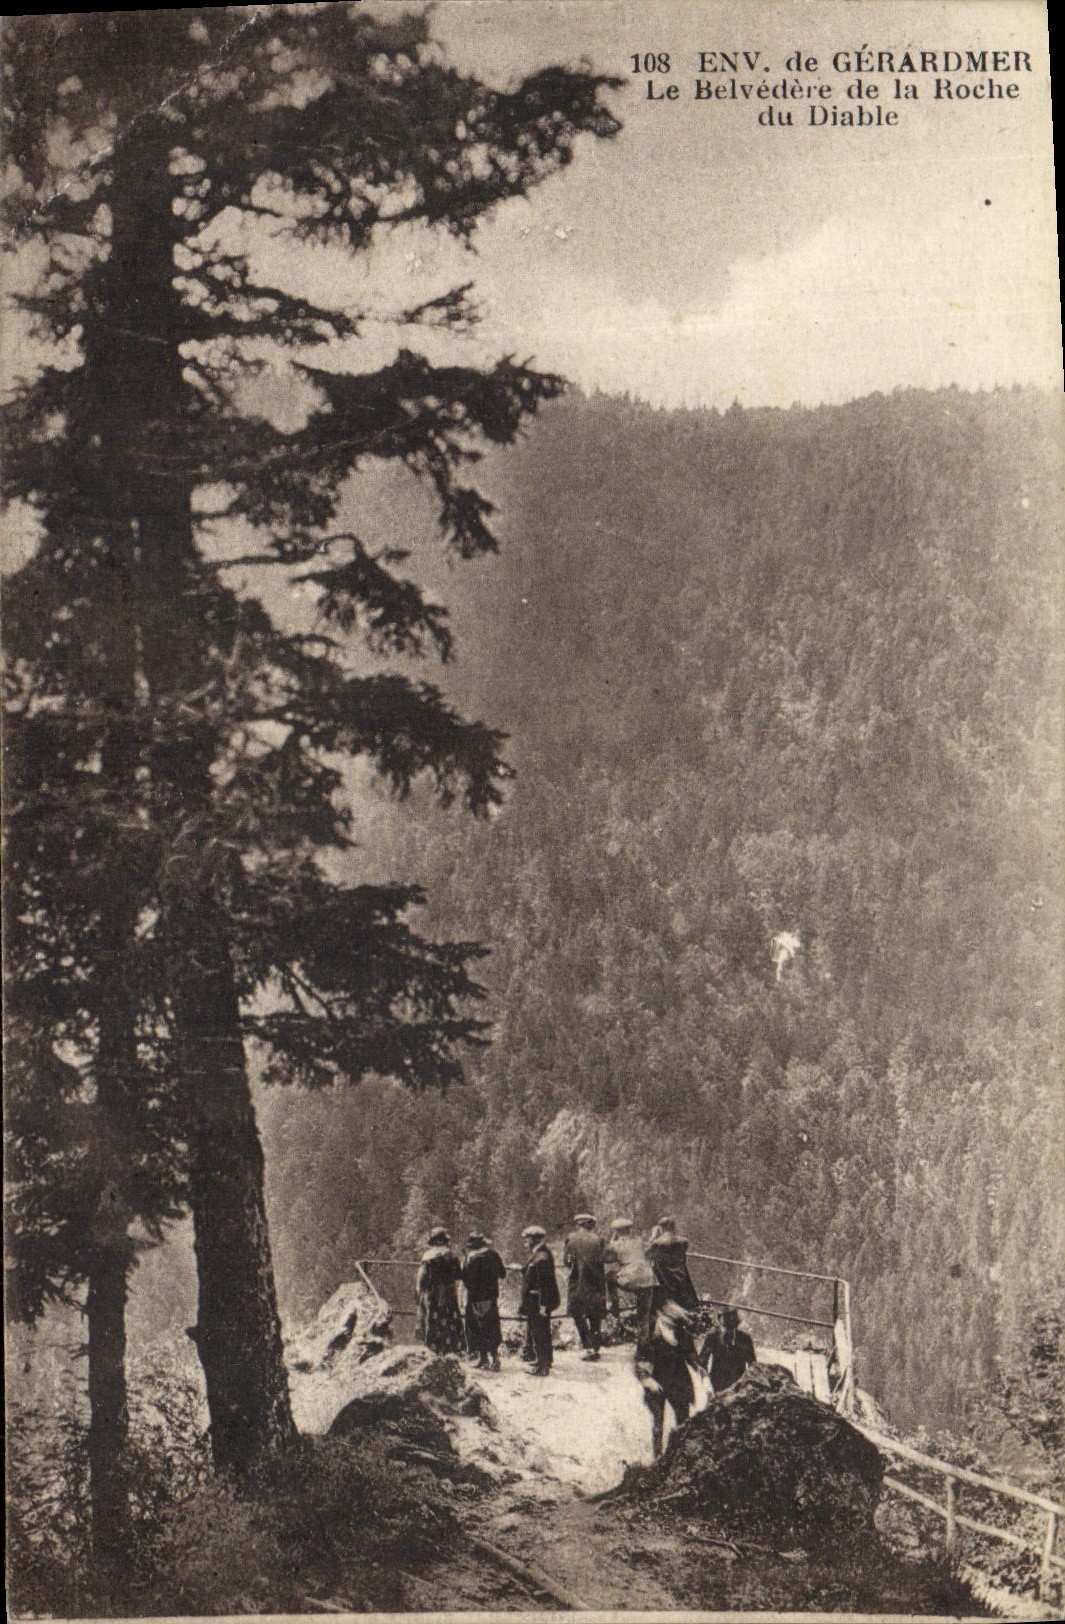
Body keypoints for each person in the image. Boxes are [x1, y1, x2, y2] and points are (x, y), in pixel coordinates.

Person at [634, 1299, 708, 1458]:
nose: (669, 1325)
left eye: (672, 1323)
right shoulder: (650, 1333)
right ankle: (658, 1456)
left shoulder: (681, 1331)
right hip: (657, 1380)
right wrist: (648, 1380)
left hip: (679, 1380)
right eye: (667, 1321)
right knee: (658, 1421)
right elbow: (640, 1361)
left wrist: (701, 1371)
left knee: (683, 1419)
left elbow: (691, 1353)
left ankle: (678, 1454)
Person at [563, 1212, 608, 1360]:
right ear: (591, 1225)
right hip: (596, 1283)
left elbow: (567, 1261)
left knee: (577, 1314)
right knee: (595, 1315)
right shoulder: (599, 1240)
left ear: (579, 1225)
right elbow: (605, 1258)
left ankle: (587, 1345)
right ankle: (595, 1346)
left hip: (578, 1282)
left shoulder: (571, 1239)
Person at [604, 1216, 656, 1343]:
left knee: (609, 1276)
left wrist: (613, 1242)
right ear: (629, 1230)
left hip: (630, 1278)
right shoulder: (640, 1241)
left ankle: (614, 1308)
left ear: (616, 1231)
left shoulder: (614, 1244)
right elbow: (650, 1251)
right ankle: (644, 1341)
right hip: (647, 1277)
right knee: (644, 1312)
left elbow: (606, 1258)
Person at [415, 1226, 464, 1355]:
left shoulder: (427, 1256)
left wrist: (420, 1292)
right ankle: (450, 1349)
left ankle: (434, 1348)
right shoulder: (451, 1255)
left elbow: (422, 1278)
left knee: (433, 1317)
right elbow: (459, 1274)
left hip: (432, 1292)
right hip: (448, 1291)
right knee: (449, 1317)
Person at [461, 1230, 506, 1371]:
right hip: (490, 1297)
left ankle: (484, 1359)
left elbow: (465, 1279)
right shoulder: (493, 1255)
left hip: (475, 1298)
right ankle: (494, 1358)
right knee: (490, 1327)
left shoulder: (471, 1258)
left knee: (476, 1328)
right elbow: (502, 1273)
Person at [519, 1224, 560, 1376]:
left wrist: (543, 1305)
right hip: (538, 1300)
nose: (525, 1243)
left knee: (540, 1332)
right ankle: (545, 1360)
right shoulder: (541, 1253)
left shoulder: (541, 1257)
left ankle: (542, 1367)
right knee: (541, 1331)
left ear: (534, 1240)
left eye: (527, 1240)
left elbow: (545, 1284)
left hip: (539, 1300)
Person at [647, 1214, 700, 1315]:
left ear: (661, 1228)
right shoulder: (684, 1242)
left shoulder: (657, 1243)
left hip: (665, 1280)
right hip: (681, 1279)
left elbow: (646, 1253)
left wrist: (653, 1236)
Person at [699, 1305, 757, 1393]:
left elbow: (753, 1365)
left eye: (732, 1321)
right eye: (725, 1327)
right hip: (717, 1387)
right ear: (720, 1321)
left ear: (736, 1323)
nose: (728, 1331)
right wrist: (706, 1382)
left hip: (738, 1389)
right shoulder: (712, 1337)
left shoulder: (745, 1339)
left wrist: (748, 1385)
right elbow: (702, 1362)